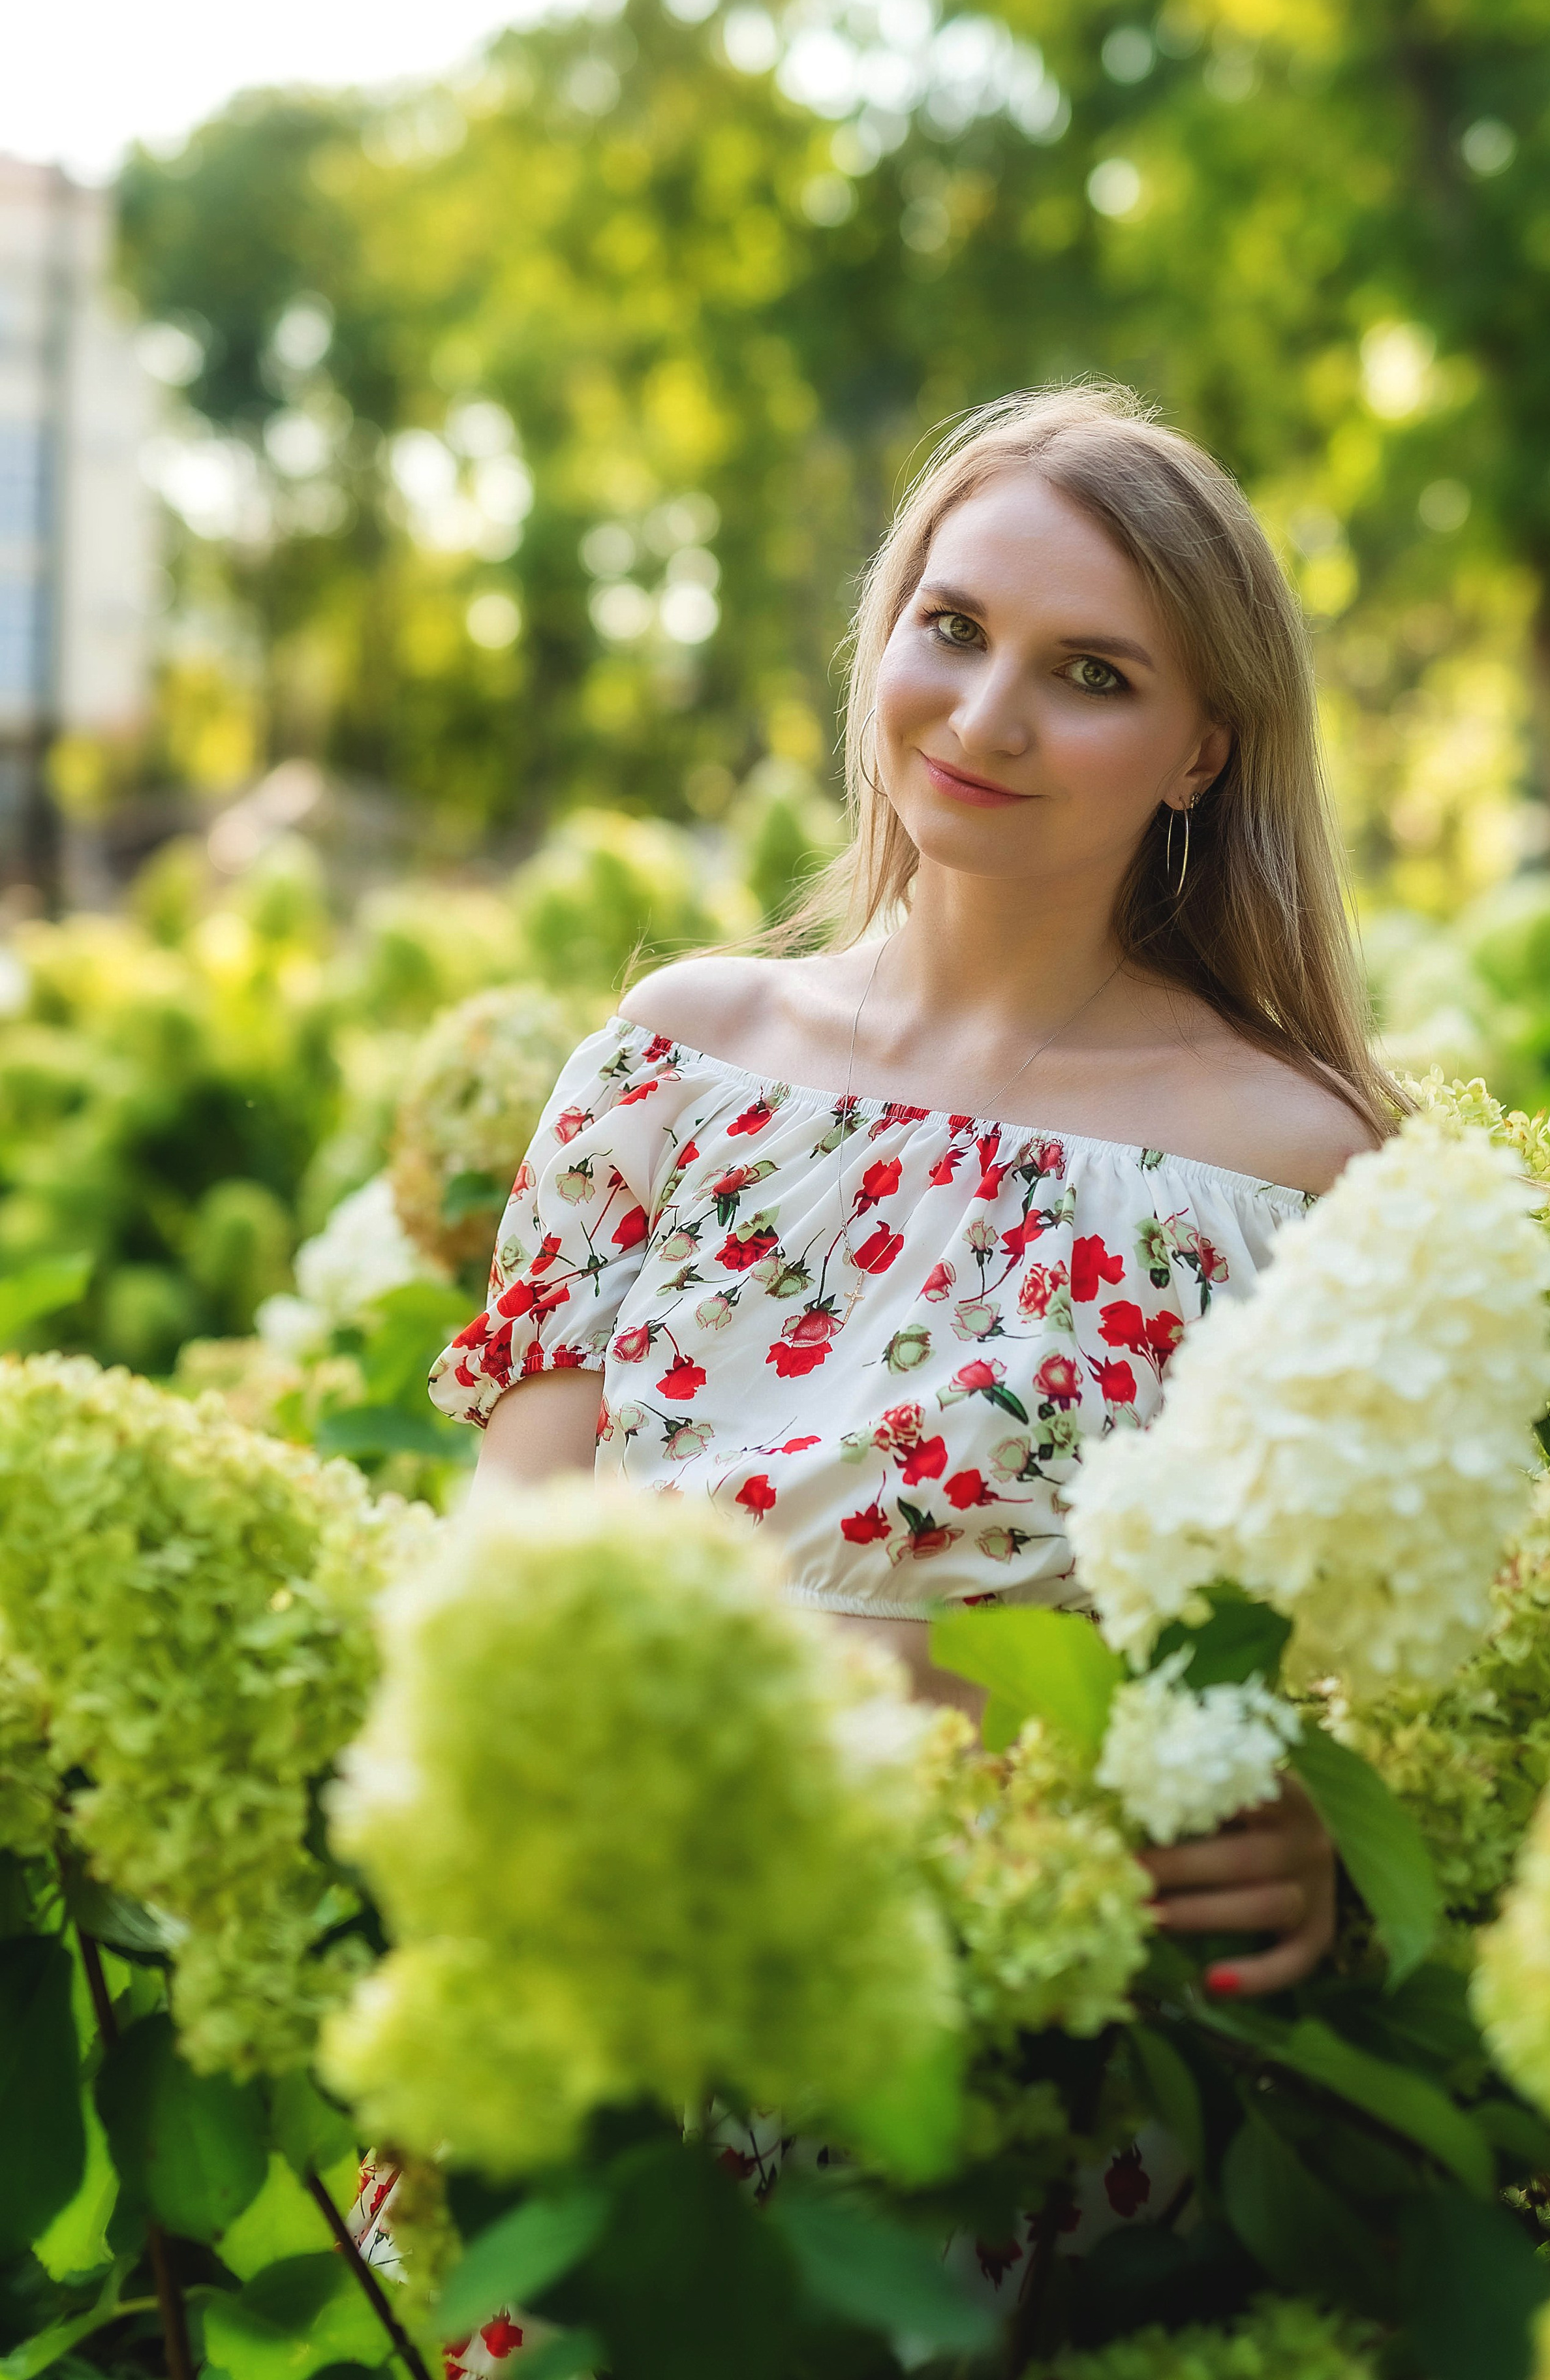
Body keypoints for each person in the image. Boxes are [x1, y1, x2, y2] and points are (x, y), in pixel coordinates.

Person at [429, 383, 1395, 2003]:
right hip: (603, 1980)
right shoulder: (668, 1065)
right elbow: (497, 1587)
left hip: (1013, 2049)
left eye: (1091, 675)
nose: (984, 717)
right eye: (951, 628)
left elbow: (1337, 1675)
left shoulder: (1289, 1169)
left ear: (1200, 753)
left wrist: (1319, 1842)